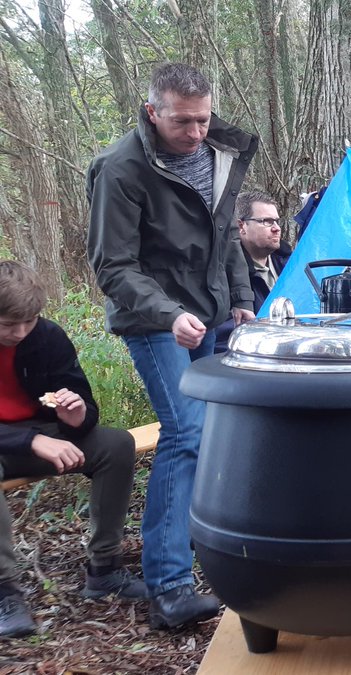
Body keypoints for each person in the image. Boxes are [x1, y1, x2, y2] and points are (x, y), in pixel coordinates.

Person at [86, 62, 258, 629]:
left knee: (212, 436)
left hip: (207, 315)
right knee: (184, 432)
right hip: (152, 318)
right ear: (152, 111)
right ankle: (170, 587)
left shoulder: (220, 153)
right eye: (181, 122)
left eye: (203, 119)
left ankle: (205, 553)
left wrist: (238, 295)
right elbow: (112, 266)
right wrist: (169, 313)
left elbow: (224, 232)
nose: (195, 133)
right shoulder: (121, 168)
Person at [0, 261, 146, 638]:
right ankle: (5, 593)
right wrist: (30, 440)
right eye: (7, 325)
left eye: (28, 321)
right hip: (17, 441)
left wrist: (76, 415)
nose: (19, 332)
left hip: (43, 431)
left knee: (116, 444)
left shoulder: (47, 337)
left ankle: (105, 570)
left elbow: (85, 405)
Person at [214, 190, 292, 352]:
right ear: (241, 226)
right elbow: (222, 337)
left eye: (277, 221)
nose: (276, 228)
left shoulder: (290, 264)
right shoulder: (224, 274)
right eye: (267, 222)